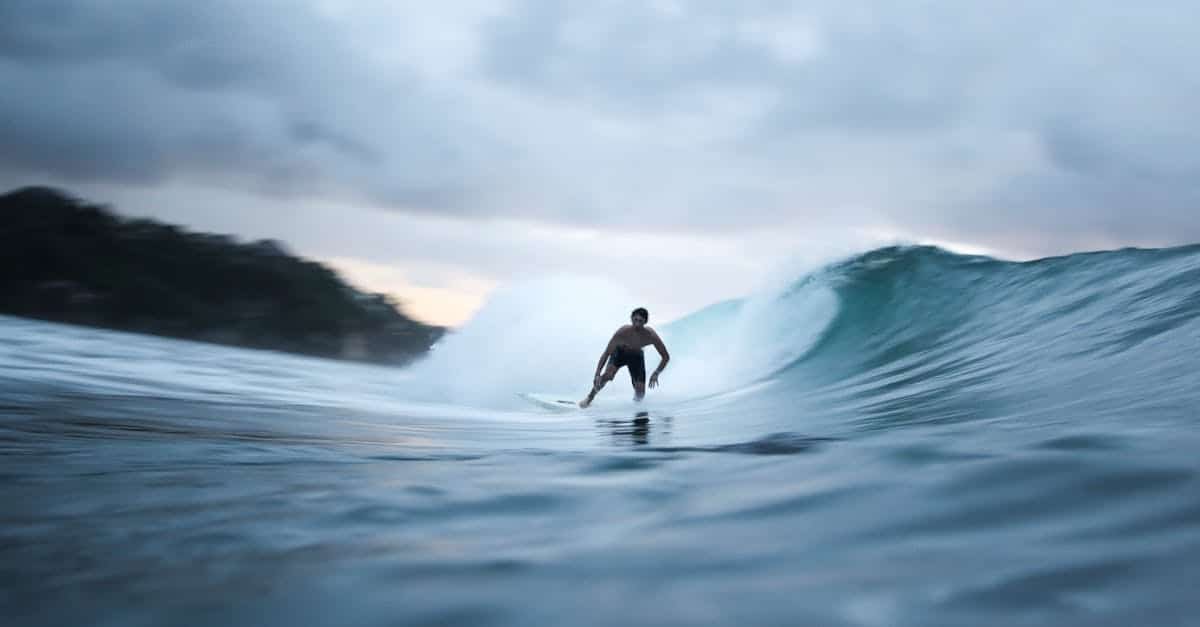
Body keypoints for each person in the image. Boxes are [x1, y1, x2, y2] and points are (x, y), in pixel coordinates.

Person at [579, 307, 670, 408]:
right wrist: (597, 374)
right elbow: (606, 354)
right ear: (631, 319)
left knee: (640, 393)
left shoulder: (651, 336)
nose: (637, 324)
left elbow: (665, 357)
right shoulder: (622, 333)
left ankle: (635, 409)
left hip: (636, 357)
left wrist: (656, 373)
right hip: (620, 353)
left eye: (640, 321)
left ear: (645, 322)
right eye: (635, 320)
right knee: (608, 375)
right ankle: (589, 398)